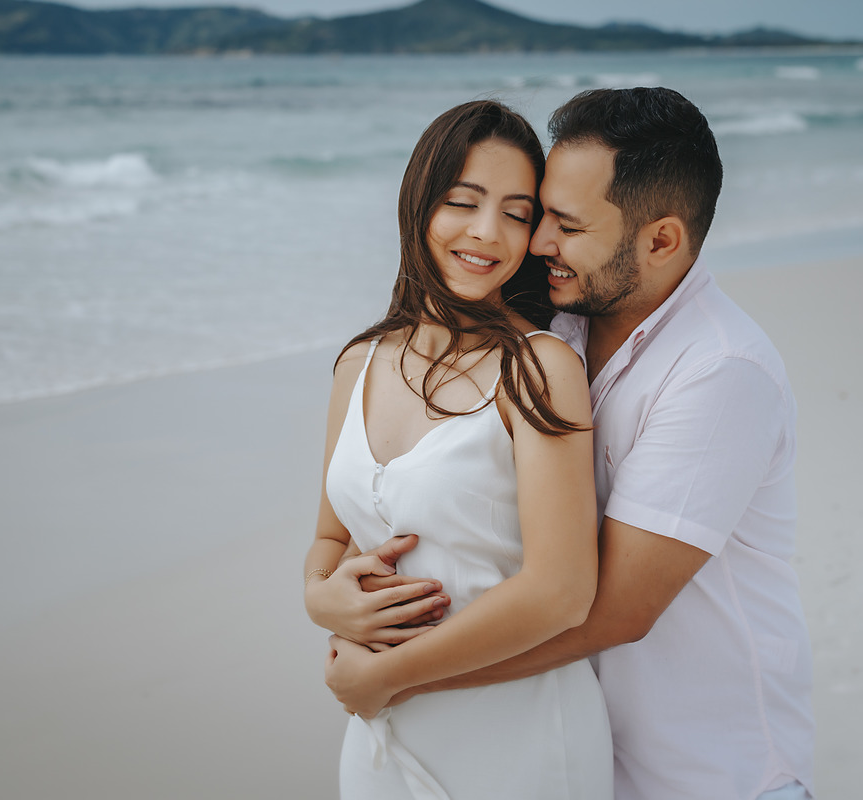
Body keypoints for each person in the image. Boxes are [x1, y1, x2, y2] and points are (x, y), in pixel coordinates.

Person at [322, 87, 816, 800]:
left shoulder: (719, 372)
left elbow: (612, 609)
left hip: (706, 772)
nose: (537, 243)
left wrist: (394, 676)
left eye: (565, 224)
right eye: (542, 214)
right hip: (574, 747)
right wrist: (327, 596)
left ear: (660, 241)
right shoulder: (561, 324)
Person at [303, 99, 613, 798]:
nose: (487, 233)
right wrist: (320, 597)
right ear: (420, 204)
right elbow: (331, 537)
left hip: (518, 736)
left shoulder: (539, 370)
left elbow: (562, 593)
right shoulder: (359, 363)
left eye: (516, 213)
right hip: (380, 738)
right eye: (463, 202)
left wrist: (386, 675)